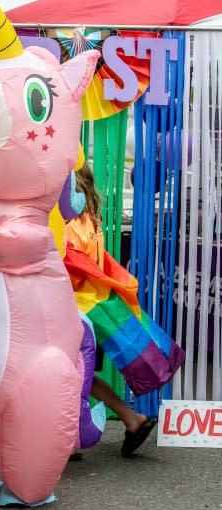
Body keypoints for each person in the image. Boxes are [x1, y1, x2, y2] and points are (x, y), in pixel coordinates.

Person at [64, 162, 157, 457]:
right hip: (92, 309)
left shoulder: (68, 225)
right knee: (81, 376)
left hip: (74, 310)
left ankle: (71, 437)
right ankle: (129, 420)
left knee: (74, 375)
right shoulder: (89, 219)